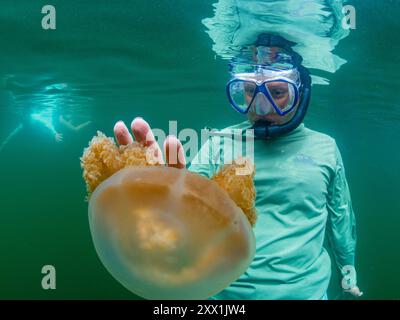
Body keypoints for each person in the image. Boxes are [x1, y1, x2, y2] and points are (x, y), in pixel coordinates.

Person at [112, 34, 362, 300]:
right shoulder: (218, 143)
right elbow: (183, 214)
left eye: (277, 92)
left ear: (301, 91)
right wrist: (158, 202)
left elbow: (341, 222)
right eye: (250, 92)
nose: (262, 107)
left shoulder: (325, 148)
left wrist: (348, 275)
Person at [0, 108, 91, 153]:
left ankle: (82, 120)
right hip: (48, 129)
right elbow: (13, 134)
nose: (24, 122)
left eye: (25, 120)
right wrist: (4, 143)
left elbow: (47, 124)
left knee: (72, 128)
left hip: (55, 125)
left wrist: (55, 134)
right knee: (72, 128)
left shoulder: (35, 118)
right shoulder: (24, 124)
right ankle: (73, 120)